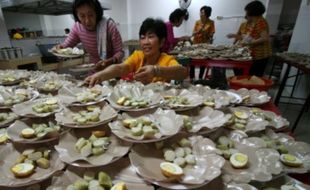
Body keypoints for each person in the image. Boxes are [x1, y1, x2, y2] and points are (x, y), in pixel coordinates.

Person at [85, 18, 188, 87]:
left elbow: (183, 72)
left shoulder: (166, 59)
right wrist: (100, 75)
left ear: (161, 42)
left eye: (151, 37)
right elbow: (121, 68)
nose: (145, 42)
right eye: (142, 38)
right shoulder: (138, 55)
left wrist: (156, 70)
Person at [55, 0, 124, 72]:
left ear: (97, 13)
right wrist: (60, 48)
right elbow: (67, 45)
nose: (87, 21)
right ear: (76, 16)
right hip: (93, 70)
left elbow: (120, 52)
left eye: (91, 15)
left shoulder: (108, 26)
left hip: (113, 70)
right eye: (82, 16)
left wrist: (110, 61)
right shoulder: (77, 28)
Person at [227, 0, 272, 77]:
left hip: (260, 56)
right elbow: (248, 37)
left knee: (254, 77)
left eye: (247, 11)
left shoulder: (260, 22)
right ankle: (243, 86)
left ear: (252, 11)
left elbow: (264, 38)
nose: (246, 14)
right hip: (252, 54)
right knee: (245, 75)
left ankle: (249, 88)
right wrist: (235, 39)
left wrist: (248, 43)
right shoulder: (253, 22)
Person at [190, 6, 215, 80]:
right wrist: (198, 31)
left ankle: (200, 78)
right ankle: (192, 78)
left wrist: (205, 33)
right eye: (200, 12)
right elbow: (193, 33)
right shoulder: (197, 22)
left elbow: (211, 35)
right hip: (195, 44)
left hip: (205, 45)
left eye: (202, 12)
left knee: (203, 62)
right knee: (192, 61)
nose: (200, 14)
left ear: (207, 14)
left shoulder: (211, 23)